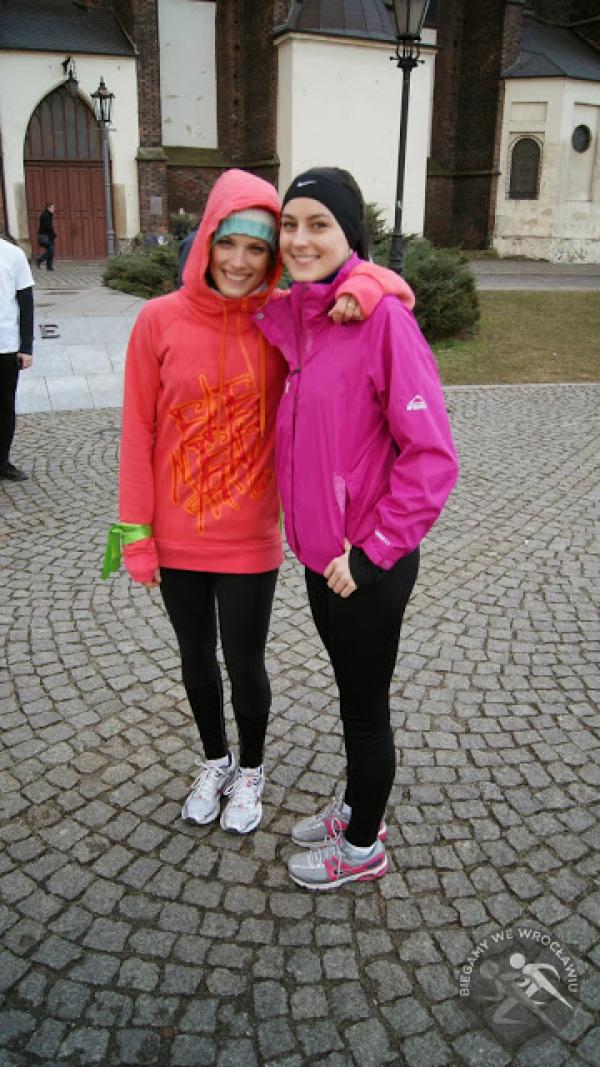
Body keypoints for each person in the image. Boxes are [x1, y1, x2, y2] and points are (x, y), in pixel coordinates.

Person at [104, 168, 410, 837]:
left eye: (257, 249)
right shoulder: (157, 320)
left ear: (272, 258)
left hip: (249, 534)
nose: (240, 261)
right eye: (228, 243)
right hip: (176, 532)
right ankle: (214, 760)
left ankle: (251, 769)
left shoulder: (282, 320)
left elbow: (369, 290)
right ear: (205, 242)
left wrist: (367, 282)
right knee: (194, 657)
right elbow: (137, 431)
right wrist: (135, 532)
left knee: (245, 662)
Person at [256, 167, 459, 890]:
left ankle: (364, 846)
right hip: (322, 556)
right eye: (290, 224)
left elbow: (432, 456)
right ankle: (354, 808)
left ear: (350, 236)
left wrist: (373, 554)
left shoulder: (383, 321)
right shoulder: (309, 319)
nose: (300, 239)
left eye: (320, 224)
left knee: (367, 709)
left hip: (366, 561)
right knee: (350, 696)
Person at [0, 234, 34, 482]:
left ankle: (2, 461)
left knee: (4, 407)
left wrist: (26, 347)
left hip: (5, 345)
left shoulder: (13, 255)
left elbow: (26, 303)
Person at [36, 203, 56, 271]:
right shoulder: (46, 215)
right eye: (52, 208)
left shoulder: (48, 215)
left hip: (47, 236)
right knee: (51, 251)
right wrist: (53, 234)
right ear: (48, 208)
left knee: (50, 251)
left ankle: (49, 267)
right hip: (46, 236)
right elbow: (47, 226)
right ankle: (39, 260)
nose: (54, 209)